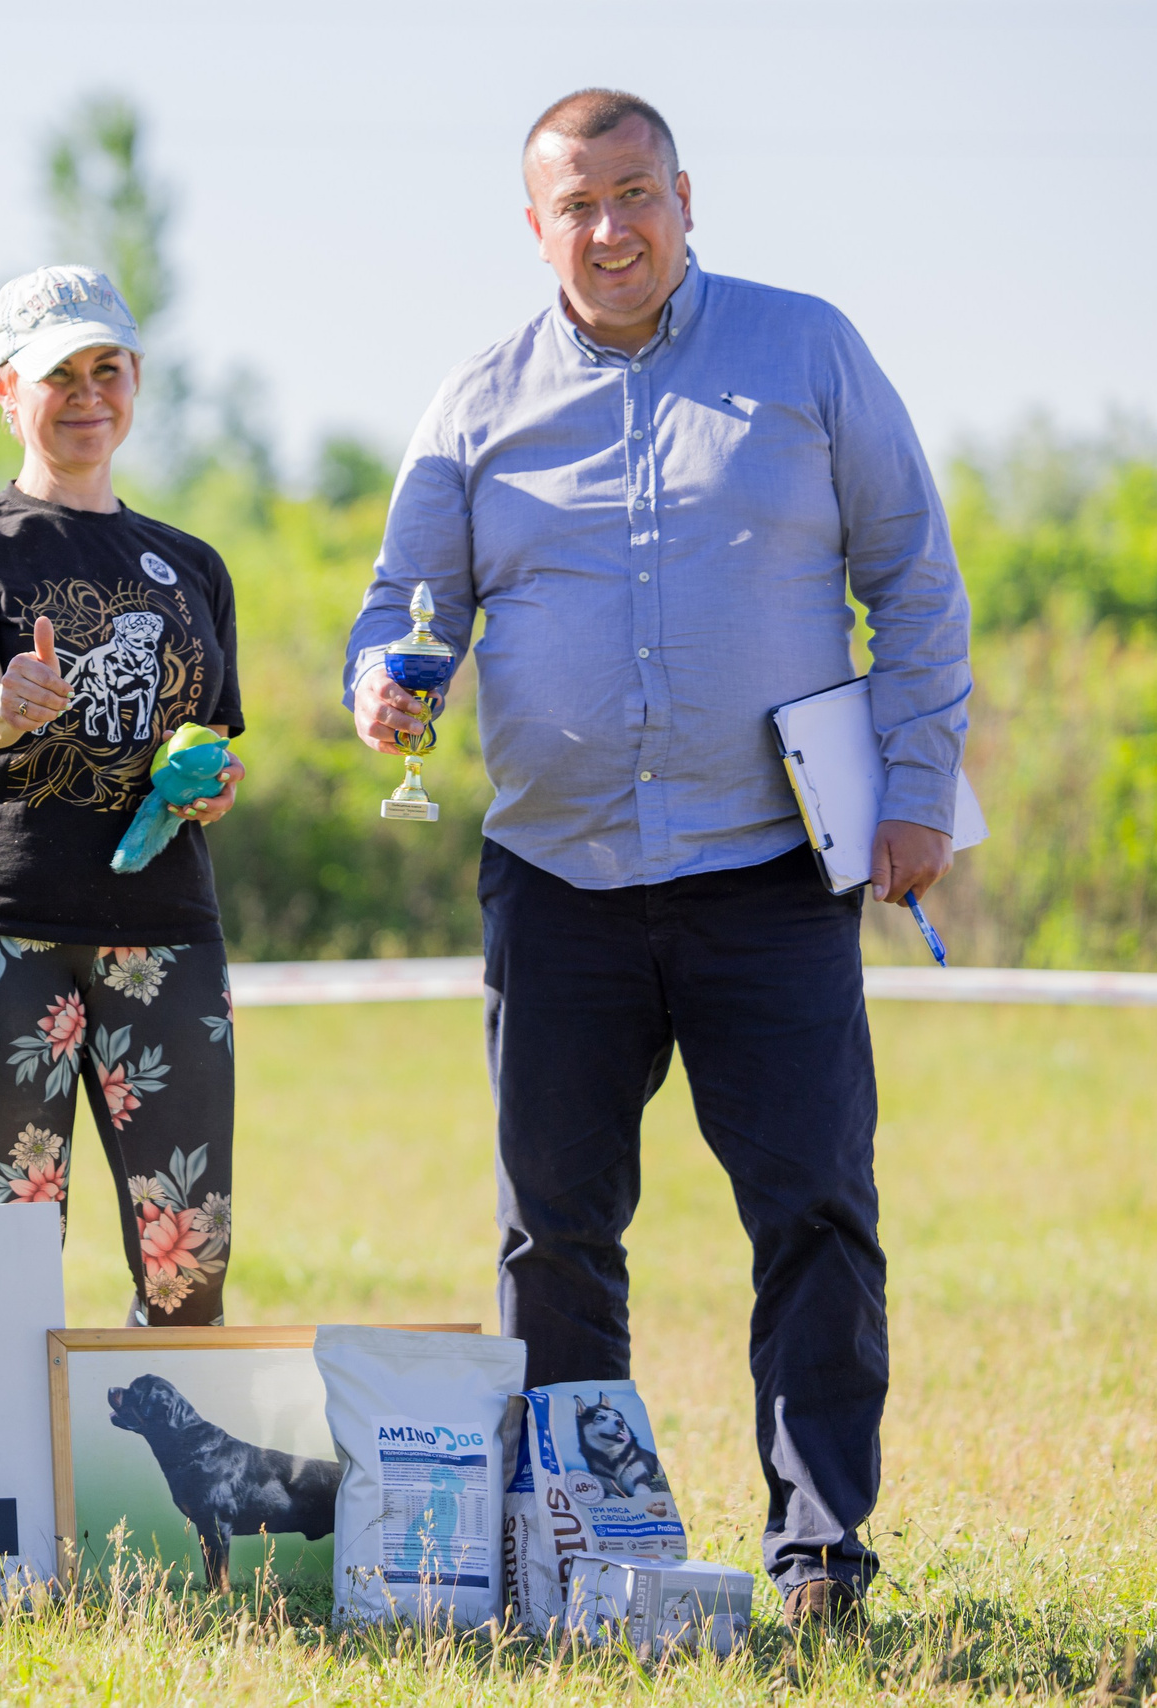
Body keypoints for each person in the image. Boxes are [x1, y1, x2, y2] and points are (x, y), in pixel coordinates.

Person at [344, 90, 970, 1627]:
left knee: (815, 1206)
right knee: (553, 1232)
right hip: (556, 883)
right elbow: (400, 610)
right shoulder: (476, 403)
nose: (612, 230)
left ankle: (820, 1554)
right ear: (536, 222)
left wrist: (916, 788)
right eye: (580, 204)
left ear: (687, 197)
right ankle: (580, 1552)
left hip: (771, 871)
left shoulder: (807, 352)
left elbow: (915, 582)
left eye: (639, 195)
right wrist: (378, 685)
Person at [0, 266, 248, 1326]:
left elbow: (208, 743)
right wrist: (9, 700)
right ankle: (17, 1492)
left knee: (189, 1253)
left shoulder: (192, 564)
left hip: (164, 928)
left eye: (109, 369)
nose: (88, 394)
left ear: (136, 380)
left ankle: (171, 1487)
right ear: (7, 390)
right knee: (9, 1248)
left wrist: (214, 786)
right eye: (60, 374)